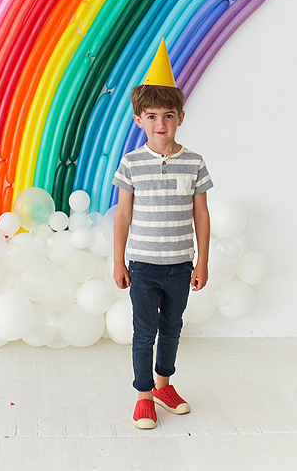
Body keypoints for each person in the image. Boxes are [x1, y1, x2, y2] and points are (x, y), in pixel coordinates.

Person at [112, 39, 213, 430]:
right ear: (139, 119)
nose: (160, 124)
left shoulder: (194, 161)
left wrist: (202, 260)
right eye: (151, 116)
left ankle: (163, 386)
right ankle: (142, 397)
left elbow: (201, 214)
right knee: (144, 331)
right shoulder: (132, 163)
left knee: (172, 327)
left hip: (180, 264)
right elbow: (123, 214)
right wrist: (118, 259)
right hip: (142, 264)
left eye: (167, 116)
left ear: (180, 118)